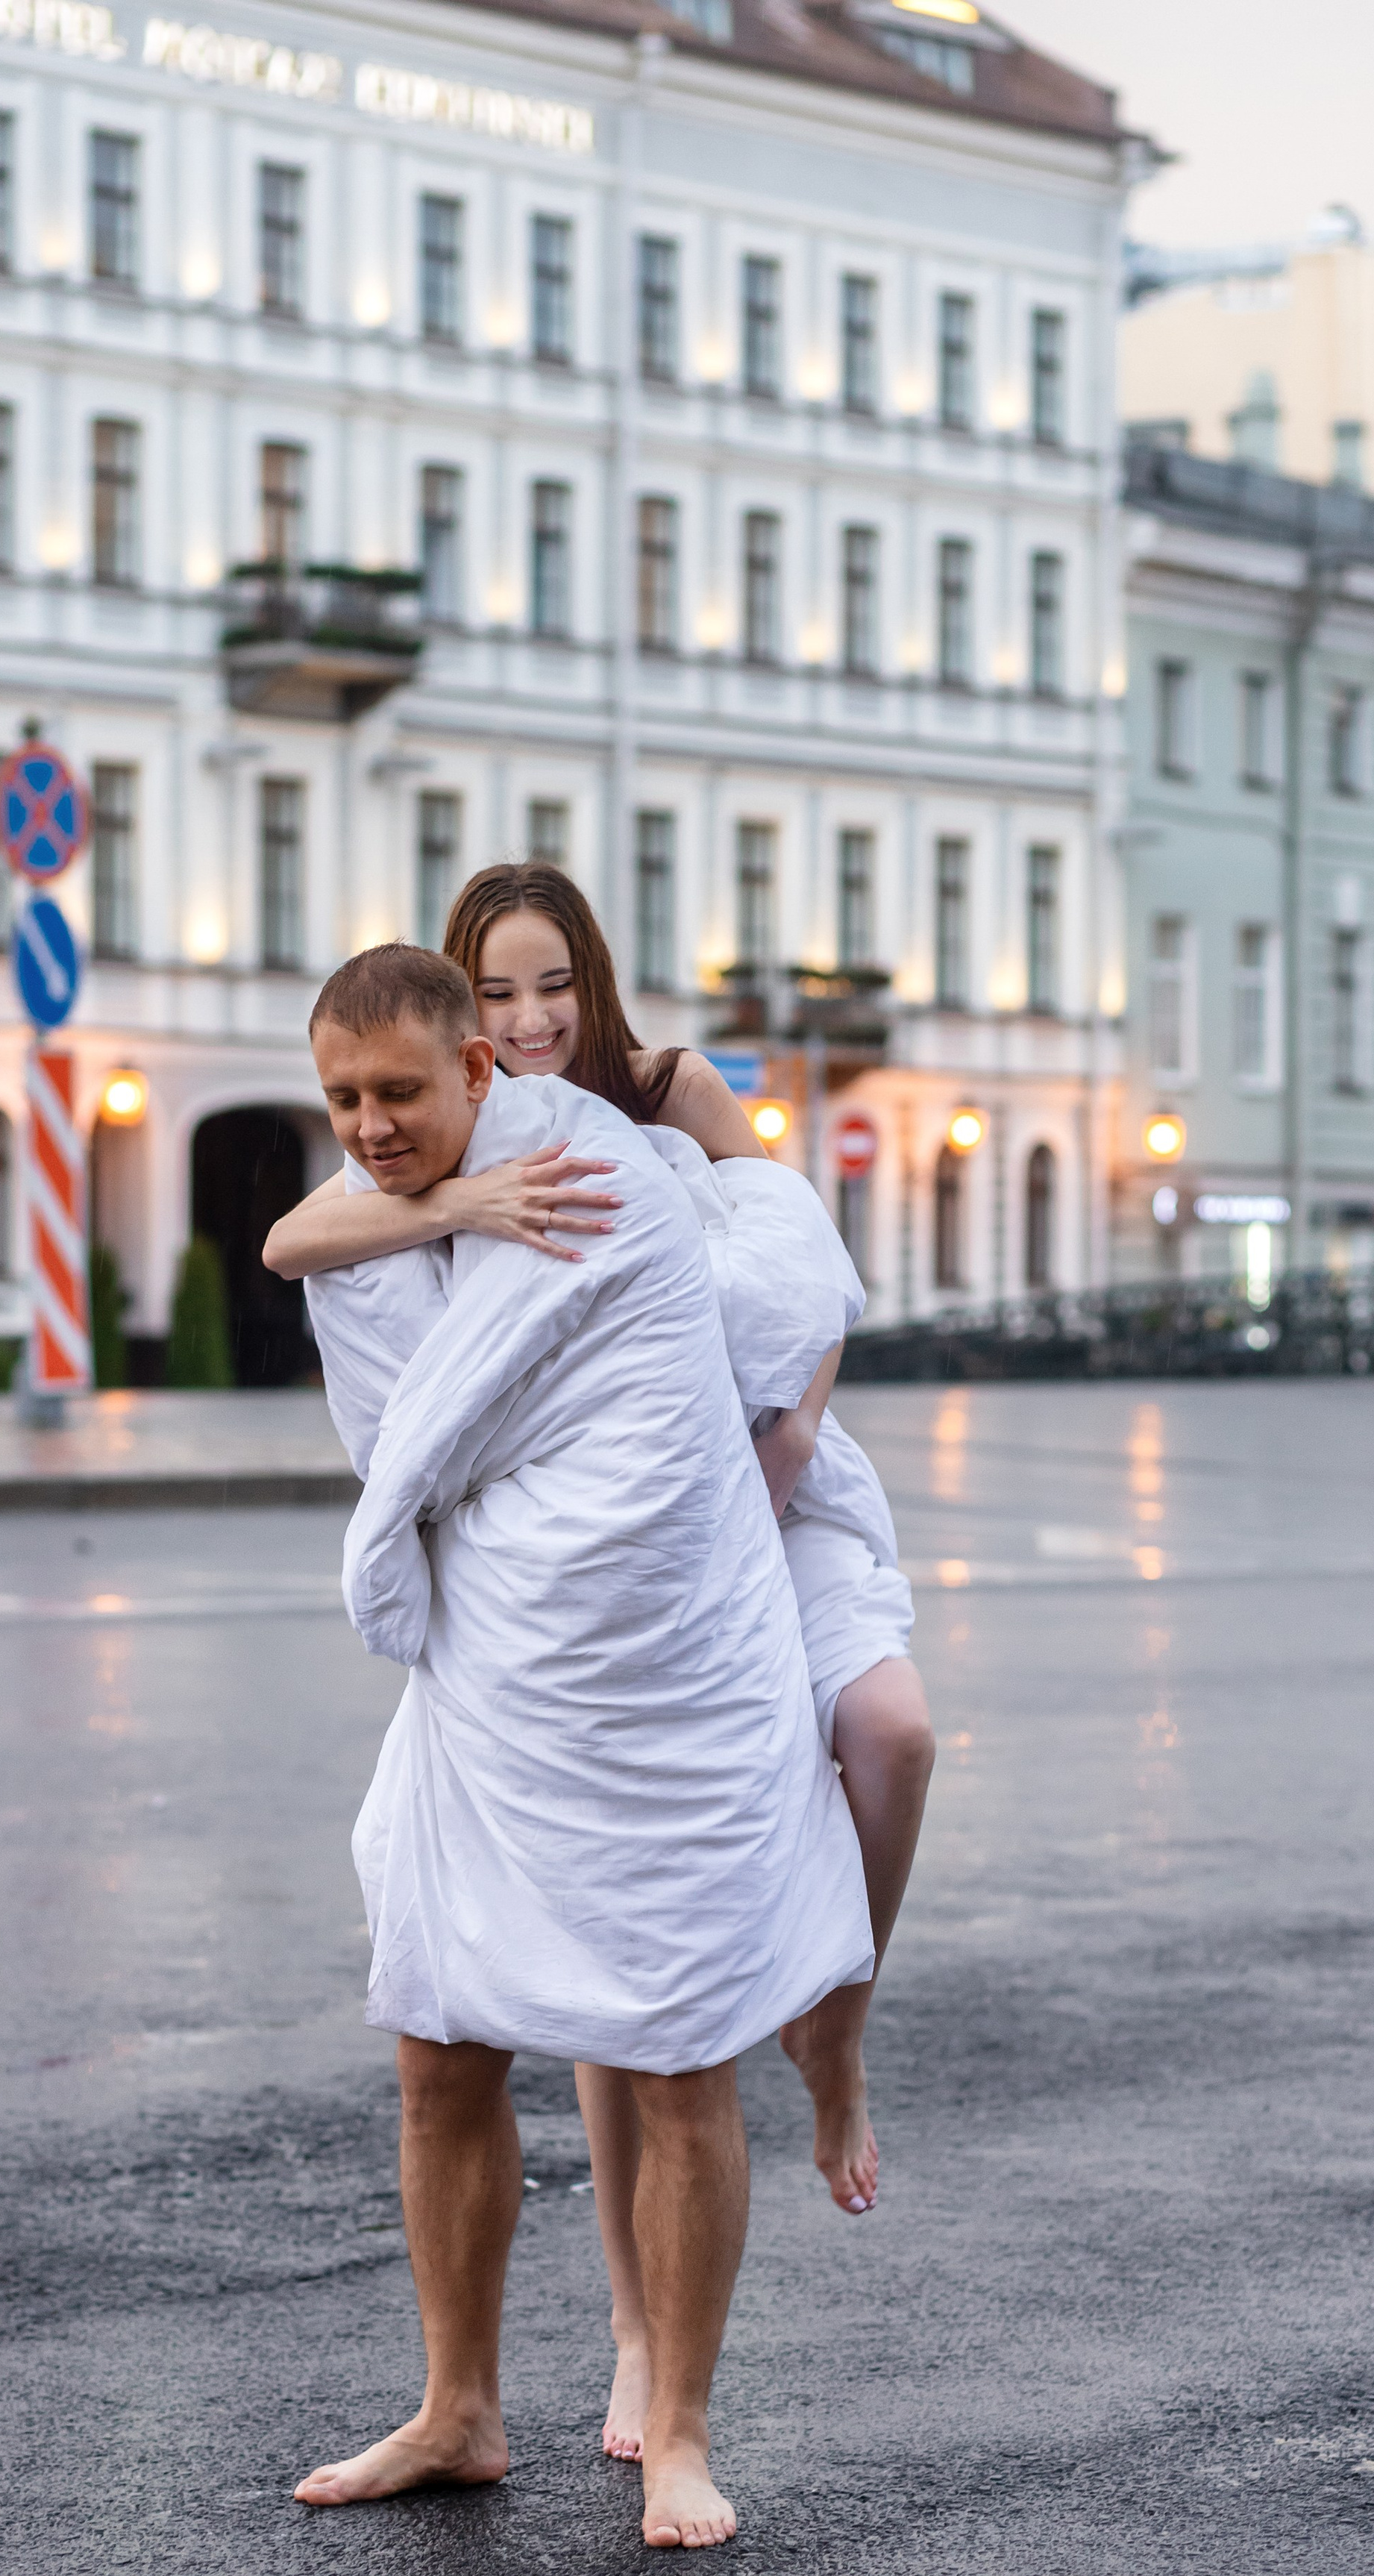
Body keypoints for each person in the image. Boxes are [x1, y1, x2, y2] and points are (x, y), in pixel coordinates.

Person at [266, 863, 936, 2464]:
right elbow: (305, 1252)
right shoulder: (418, 1186)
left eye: (540, 987)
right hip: (515, 1625)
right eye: (492, 989)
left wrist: (776, 1447)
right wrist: (449, 1200)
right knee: (477, 2037)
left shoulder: (638, 1116)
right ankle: (504, 2393)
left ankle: (833, 2025)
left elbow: (795, 1280)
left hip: (735, 1519)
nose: (525, 1013)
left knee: (879, 1752)